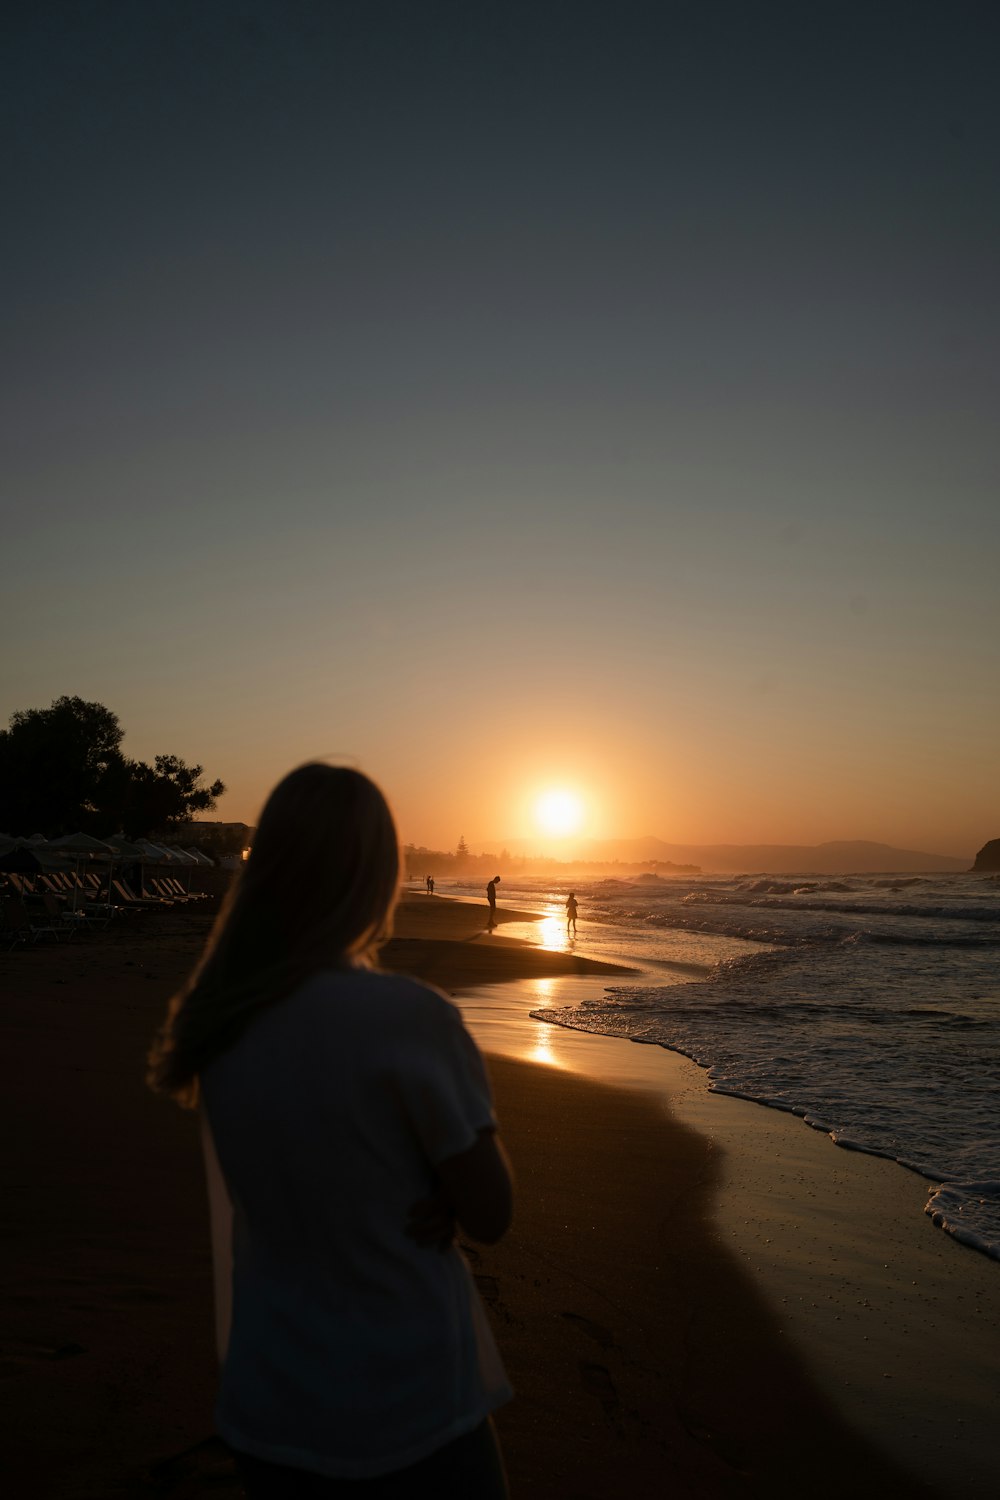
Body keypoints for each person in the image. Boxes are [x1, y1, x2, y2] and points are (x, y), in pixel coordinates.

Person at [148, 764, 513, 1497]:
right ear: (377, 875)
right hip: (405, 1396)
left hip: (271, 1393)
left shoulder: (218, 1019)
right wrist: (438, 1180)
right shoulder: (409, 1017)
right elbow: (493, 1213)